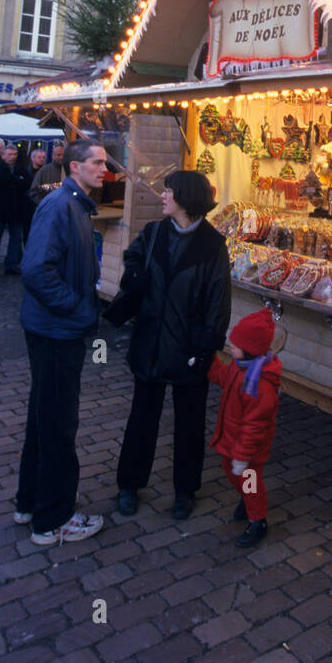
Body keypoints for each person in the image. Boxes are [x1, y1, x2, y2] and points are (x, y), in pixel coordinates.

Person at [115, 170, 230, 521]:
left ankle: (185, 490)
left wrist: (206, 347)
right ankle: (129, 486)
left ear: (185, 197)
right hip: (150, 341)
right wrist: (134, 275)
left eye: (169, 191)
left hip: (189, 348)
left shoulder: (213, 246)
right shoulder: (153, 233)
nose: (162, 196)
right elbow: (132, 257)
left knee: (190, 423)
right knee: (141, 418)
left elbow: (217, 303)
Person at [15, 140, 108, 545]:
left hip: (54, 328)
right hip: (56, 331)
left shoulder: (75, 205)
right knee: (58, 423)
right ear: (75, 166)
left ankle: (29, 502)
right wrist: (76, 307)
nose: (105, 169)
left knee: (43, 416)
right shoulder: (61, 207)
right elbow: (35, 270)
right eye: (98, 162)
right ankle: (54, 520)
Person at [207, 309, 286, 549]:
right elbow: (221, 376)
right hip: (231, 438)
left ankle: (257, 520)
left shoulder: (260, 385)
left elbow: (255, 427)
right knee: (231, 471)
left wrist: (242, 456)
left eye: (236, 345)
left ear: (251, 349)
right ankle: (246, 498)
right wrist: (208, 358)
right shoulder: (238, 366)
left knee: (250, 481)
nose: (231, 347)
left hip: (249, 450)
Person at [0, 143, 30, 277]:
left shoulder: (19, 167)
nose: (12, 157)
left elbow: (27, 181)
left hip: (15, 210)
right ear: (3, 155)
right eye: (9, 154)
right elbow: (1, 182)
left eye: (14, 154)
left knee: (15, 239)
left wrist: (15, 181)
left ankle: (11, 266)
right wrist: (17, 180)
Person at [22, 149, 47, 242]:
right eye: (39, 157)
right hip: (28, 208)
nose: (42, 159)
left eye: (43, 157)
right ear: (32, 158)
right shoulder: (26, 172)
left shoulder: (46, 172)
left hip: (42, 207)